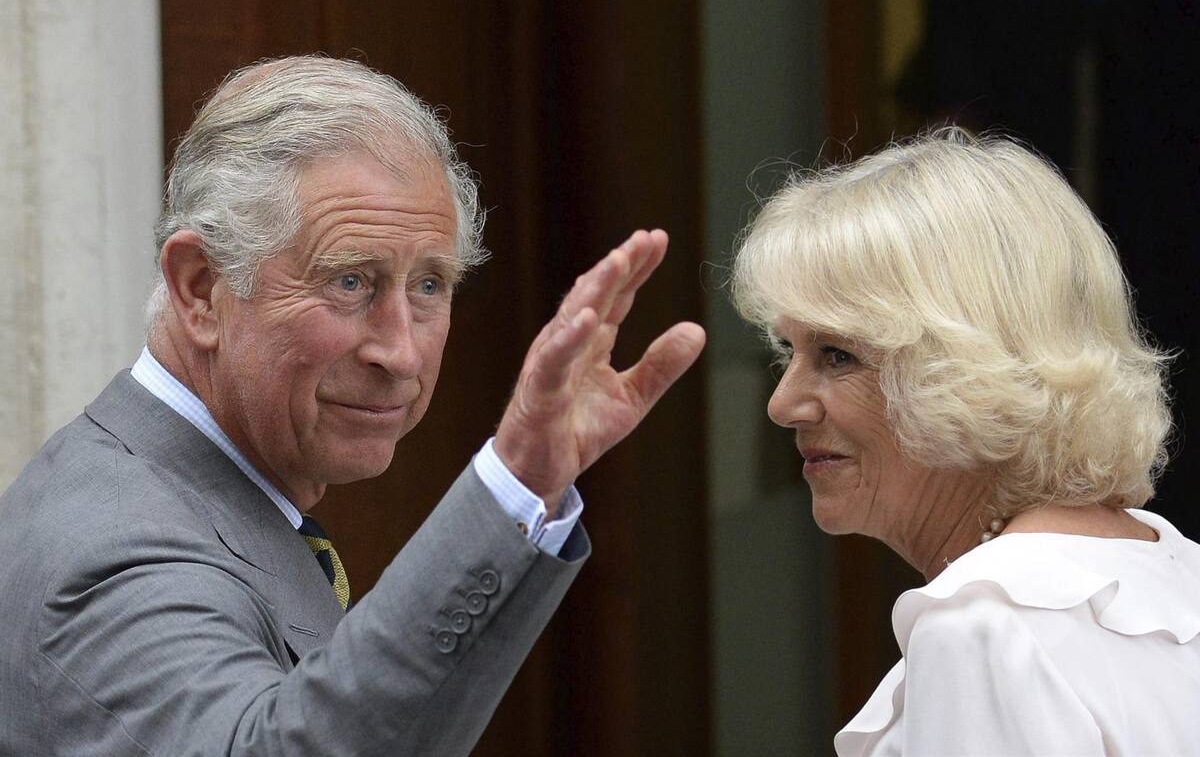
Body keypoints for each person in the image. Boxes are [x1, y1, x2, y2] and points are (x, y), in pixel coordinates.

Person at [0, 56, 705, 755]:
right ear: (200, 289)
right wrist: (513, 479)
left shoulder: (186, 495)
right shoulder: (116, 551)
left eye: (429, 285)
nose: (400, 353)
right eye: (349, 282)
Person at [732, 128, 1200, 755]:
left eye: (837, 354)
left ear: (969, 370)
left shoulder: (983, 628)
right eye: (787, 349)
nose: (782, 404)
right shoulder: (1170, 566)